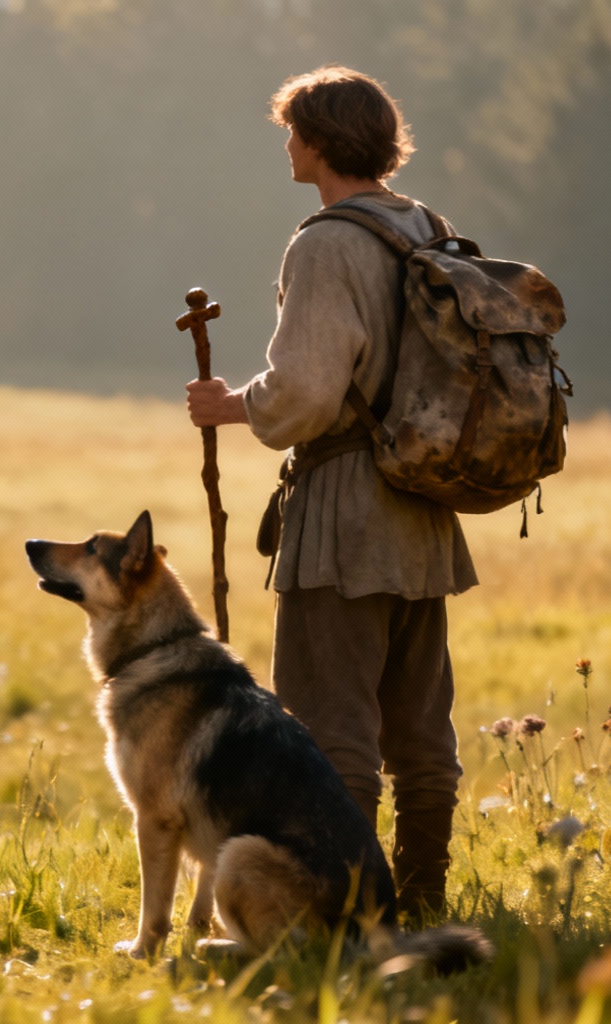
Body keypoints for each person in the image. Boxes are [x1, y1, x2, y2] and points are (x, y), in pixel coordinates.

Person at [184, 65, 473, 918]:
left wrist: (233, 405)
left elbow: (307, 394)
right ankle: (422, 899)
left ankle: (350, 913)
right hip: (423, 509)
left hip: (346, 515)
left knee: (327, 730)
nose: (286, 145)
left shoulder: (324, 244)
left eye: (293, 131)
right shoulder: (426, 227)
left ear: (319, 140)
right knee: (421, 729)